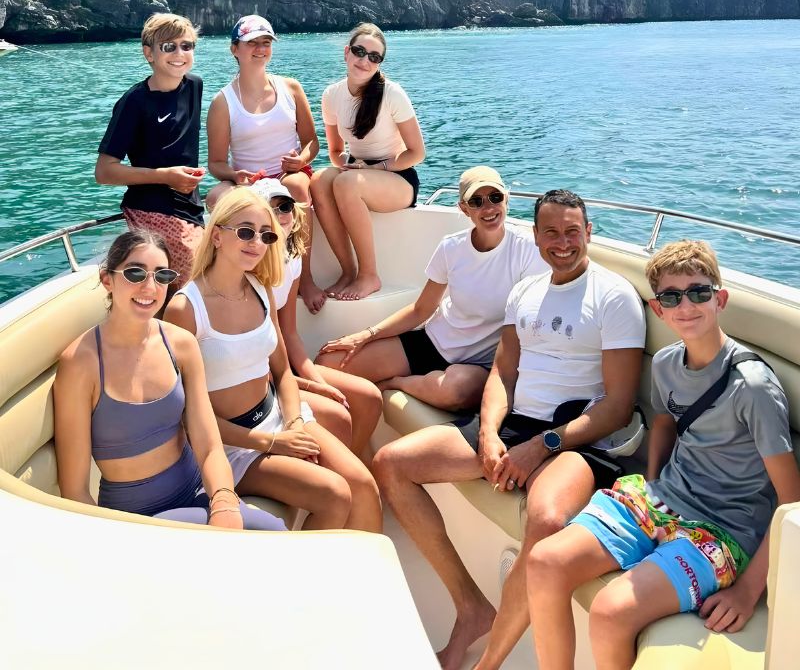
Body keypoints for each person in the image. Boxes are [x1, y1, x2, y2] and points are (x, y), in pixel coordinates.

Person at [372, 189, 646, 670]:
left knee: (545, 519)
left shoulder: (614, 296)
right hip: (516, 425)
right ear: (536, 235)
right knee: (392, 464)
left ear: (589, 233)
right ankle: (470, 608)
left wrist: (542, 446)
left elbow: (618, 408)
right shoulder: (526, 291)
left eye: (573, 231)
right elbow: (502, 373)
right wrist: (490, 433)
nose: (563, 243)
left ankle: (488, 663)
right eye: (552, 232)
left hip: (577, 438)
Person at [528, 239, 800, 670]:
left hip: (722, 530)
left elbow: (791, 500)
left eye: (698, 292)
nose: (686, 306)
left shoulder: (753, 386)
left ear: (720, 298)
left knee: (610, 610)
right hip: (662, 501)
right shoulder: (666, 364)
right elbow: (665, 425)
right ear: (658, 310)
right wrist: (655, 488)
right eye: (672, 297)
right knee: (544, 561)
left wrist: (749, 590)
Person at [165, 187, 382, 532]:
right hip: (232, 445)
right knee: (335, 493)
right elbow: (186, 416)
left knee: (363, 484)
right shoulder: (186, 309)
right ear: (217, 236)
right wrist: (272, 443)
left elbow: (280, 372)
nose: (256, 242)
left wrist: (294, 422)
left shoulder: (260, 288)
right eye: (245, 231)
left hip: (279, 416)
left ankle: (369, 581)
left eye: (265, 235)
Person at [54, 229, 283, 530]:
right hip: (135, 520)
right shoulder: (80, 363)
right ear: (107, 279)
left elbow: (209, 444)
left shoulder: (181, 344)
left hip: (198, 491)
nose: (150, 287)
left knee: (275, 534)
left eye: (161, 276)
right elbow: (74, 491)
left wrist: (225, 501)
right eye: (135, 273)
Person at [317, 167, 546, 413]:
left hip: (480, 365)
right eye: (476, 201)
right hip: (435, 341)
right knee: (326, 364)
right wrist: (366, 335)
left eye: (495, 198)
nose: (488, 208)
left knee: (457, 389)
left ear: (506, 199)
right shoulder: (452, 247)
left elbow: (531, 325)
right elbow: (421, 309)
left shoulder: (527, 250)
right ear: (463, 208)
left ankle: (396, 384)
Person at [205, 14, 323, 314]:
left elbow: (312, 143)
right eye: (251, 43)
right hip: (249, 181)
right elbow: (216, 163)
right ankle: (227, 280)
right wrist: (235, 175)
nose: (260, 49)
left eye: (266, 42)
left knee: (296, 187)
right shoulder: (222, 102)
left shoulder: (291, 88)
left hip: (288, 175)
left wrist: (301, 160)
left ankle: (304, 277)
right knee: (215, 197)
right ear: (235, 49)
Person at [263, 178, 383, 454]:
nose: (279, 214)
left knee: (370, 398)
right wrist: (308, 385)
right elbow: (265, 351)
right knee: (337, 412)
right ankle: (346, 477)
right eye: (270, 209)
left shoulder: (290, 261)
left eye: (285, 207)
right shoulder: (250, 270)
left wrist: (315, 380)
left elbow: (289, 334)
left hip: (283, 368)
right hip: (262, 377)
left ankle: (352, 471)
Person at [311, 22, 425, 301]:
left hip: (397, 177)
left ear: (380, 63)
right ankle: (348, 271)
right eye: (360, 52)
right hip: (358, 170)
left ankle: (369, 275)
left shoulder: (392, 94)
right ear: (346, 53)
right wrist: (345, 165)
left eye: (374, 57)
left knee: (348, 184)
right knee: (319, 180)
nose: (365, 61)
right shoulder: (332, 95)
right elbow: (336, 150)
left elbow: (416, 153)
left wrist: (375, 168)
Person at [95, 13, 206, 287]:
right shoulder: (133, 102)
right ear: (149, 53)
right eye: (169, 46)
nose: (179, 53)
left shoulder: (194, 85)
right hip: (150, 208)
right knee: (193, 274)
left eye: (187, 45)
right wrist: (166, 176)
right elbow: (104, 172)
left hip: (191, 207)